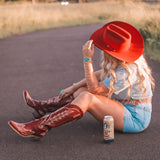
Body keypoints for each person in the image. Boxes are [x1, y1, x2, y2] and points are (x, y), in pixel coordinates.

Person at [8, 21, 155, 138]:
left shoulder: (128, 70)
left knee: (87, 96)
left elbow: (95, 89)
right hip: (126, 106)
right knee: (82, 91)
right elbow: (99, 74)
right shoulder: (126, 60)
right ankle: (44, 108)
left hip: (136, 118)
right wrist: (73, 87)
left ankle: (38, 126)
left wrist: (87, 59)